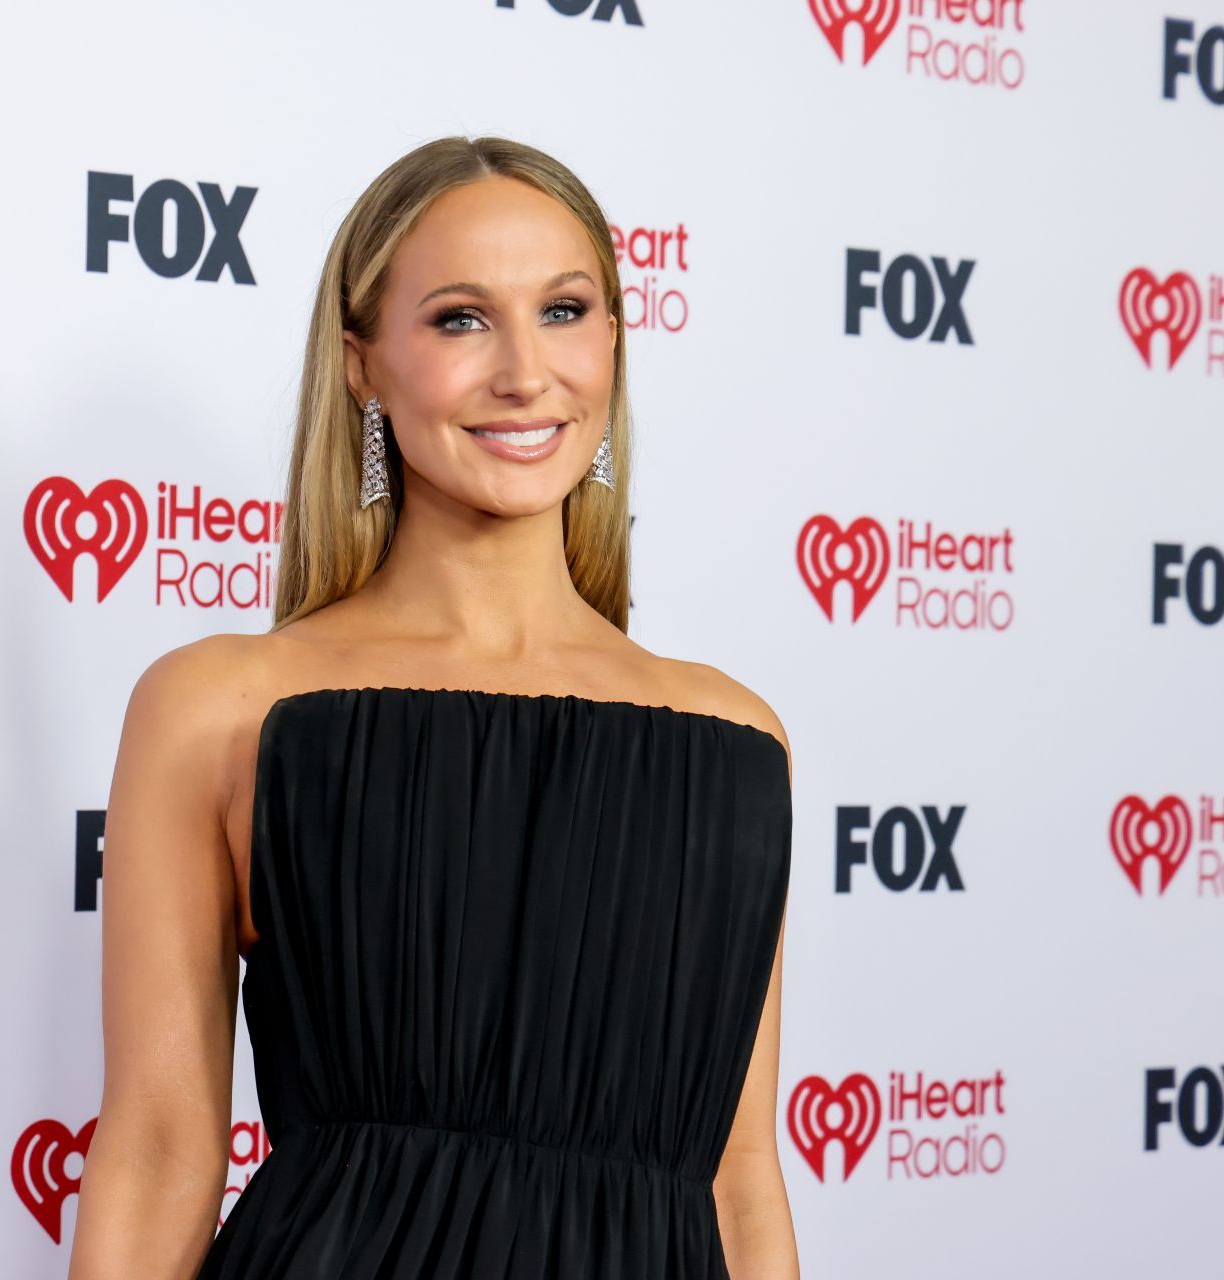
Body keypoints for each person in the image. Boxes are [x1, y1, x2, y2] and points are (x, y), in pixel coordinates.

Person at [71, 136, 798, 1279]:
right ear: (362, 363)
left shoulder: (739, 741)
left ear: (613, 339)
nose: (523, 371)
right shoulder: (222, 706)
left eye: (563, 310)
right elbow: (161, 1150)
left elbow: (740, 1179)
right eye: (461, 319)